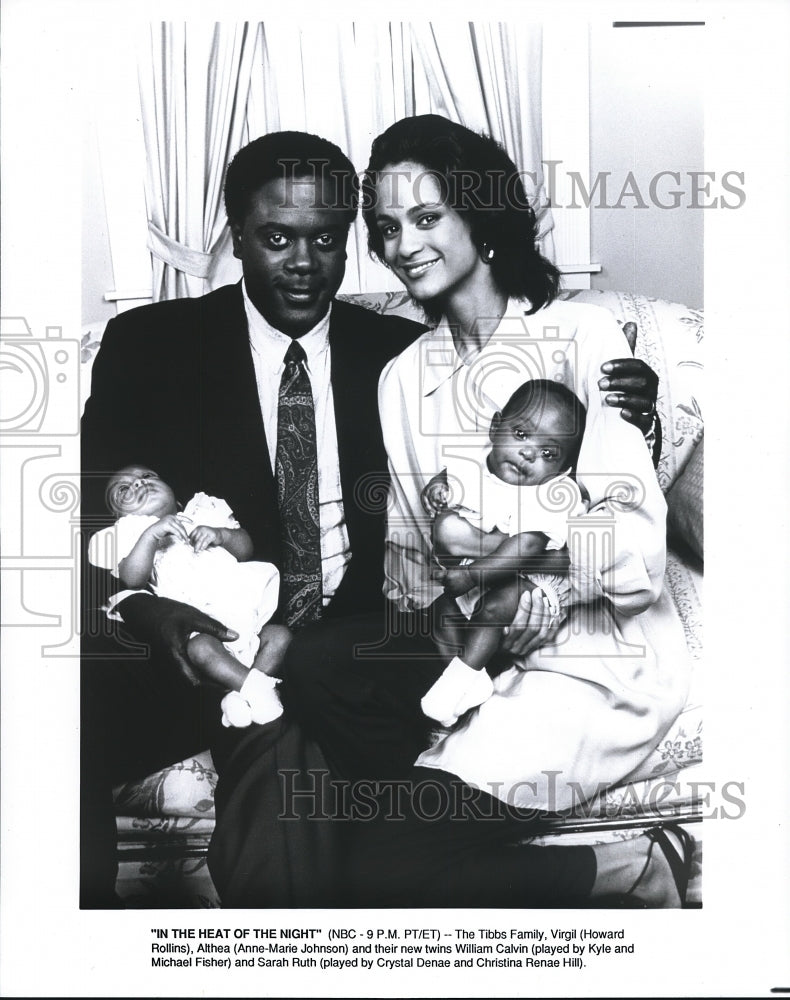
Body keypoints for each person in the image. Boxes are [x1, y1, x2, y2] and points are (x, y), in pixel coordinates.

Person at [81, 127, 661, 909]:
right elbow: (90, 510)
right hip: (225, 631)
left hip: (395, 645)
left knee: (320, 741)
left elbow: (621, 517)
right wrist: (151, 611)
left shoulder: (388, 348)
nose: (302, 262)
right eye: (276, 237)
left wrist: (635, 436)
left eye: (328, 239)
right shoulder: (158, 345)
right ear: (236, 238)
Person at [280, 114, 693, 908]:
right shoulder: (401, 377)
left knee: (376, 868)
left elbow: (635, 541)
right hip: (474, 635)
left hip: (592, 653)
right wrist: (443, 626)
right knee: (316, 661)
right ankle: (430, 796)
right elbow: (409, 560)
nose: (403, 246)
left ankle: (638, 869)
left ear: (482, 216)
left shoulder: (582, 334)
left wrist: (549, 590)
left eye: (427, 219)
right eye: (387, 228)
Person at [420, 379, 588, 728]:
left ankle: (461, 681)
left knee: (494, 608)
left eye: (548, 453)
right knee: (442, 613)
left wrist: (470, 575)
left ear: (563, 469)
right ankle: (461, 679)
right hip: (480, 575)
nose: (529, 453)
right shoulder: (475, 464)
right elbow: (451, 477)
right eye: (522, 434)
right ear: (496, 428)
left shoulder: (553, 493)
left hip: (530, 581)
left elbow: (527, 546)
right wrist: (436, 487)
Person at [88, 465, 289, 727]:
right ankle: (260, 692)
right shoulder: (128, 532)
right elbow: (132, 578)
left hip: (241, 611)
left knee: (280, 636)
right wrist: (150, 535)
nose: (138, 484)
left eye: (147, 477)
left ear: (176, 496)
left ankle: (239, 696)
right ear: (119, 515)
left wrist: (222, 535)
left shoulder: (204, 510)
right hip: (200, 622)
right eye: (124, 489)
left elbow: (245, 550)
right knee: (202, 648)